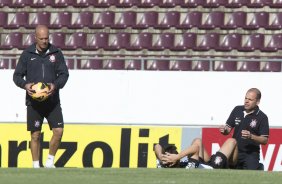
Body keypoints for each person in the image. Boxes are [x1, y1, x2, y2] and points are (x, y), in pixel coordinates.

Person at [13, 25, 69, 168]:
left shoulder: (56, 53)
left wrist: (55, 86)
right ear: (35, 38)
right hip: (34, 102)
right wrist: (25, 85)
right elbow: (17, 76)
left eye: (47, 38)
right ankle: (36, 166)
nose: (45, 41)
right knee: (35, 135)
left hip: (52, 101)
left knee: (59, 131)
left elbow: (64, 74)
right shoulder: (27, 54)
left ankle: (50, 162)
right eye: (42, 38)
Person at [219, 88, 269, 170]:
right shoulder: (237, 109)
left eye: (250, 99)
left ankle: (259, 167)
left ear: (257, 102)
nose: (246, 101)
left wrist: (251, 136)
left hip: (251, 153)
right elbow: (228, 129)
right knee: (227, 171)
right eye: (246, 98)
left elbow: (264, 140)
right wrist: (224, 130)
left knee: (252, 175)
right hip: (235, 151)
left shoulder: (262, 117)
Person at [157, 137, 238, 169]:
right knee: (232, 141)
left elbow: (157, 146)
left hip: (202, 164)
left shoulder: (162, 164)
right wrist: (177, 156)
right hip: (213, 167)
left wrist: (160, 156)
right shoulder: (189, 167)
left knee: (197, 141)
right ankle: (232, 166)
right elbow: (196, 148)